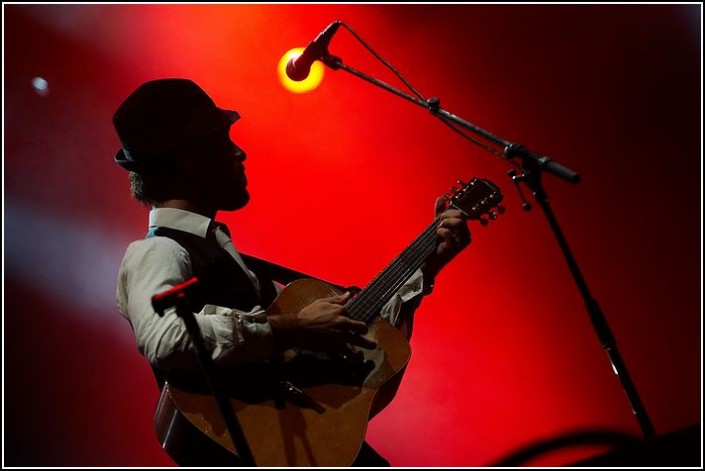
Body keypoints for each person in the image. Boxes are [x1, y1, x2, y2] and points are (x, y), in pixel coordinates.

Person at [114, 78, 471, 467]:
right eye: (223, 142)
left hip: (299, 446)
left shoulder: (222, 256)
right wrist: (294, 327)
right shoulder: (157, 251)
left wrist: (425, 267)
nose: (240, 153)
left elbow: (357, 348)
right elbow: (166, 338)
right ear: (190, 158)